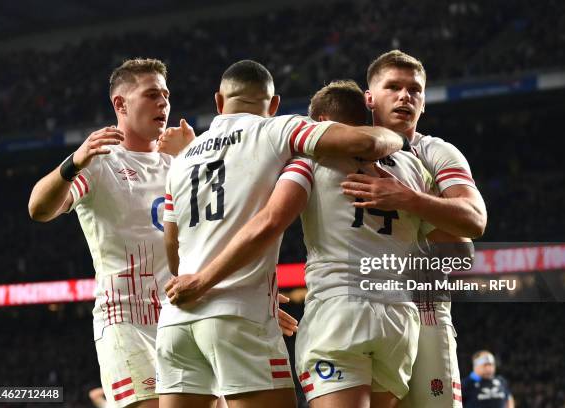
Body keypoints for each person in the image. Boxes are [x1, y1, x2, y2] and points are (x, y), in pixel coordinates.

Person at [164, 78, 446, 408]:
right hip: (400, 317)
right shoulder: (415, 169)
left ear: (321, 125)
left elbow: (271, 218)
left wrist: (203, 279)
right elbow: (455, 238)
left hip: (338, 311)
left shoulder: (308, 158)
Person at [28, 58, 194, 408]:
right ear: (121, 104)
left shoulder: (178, 164)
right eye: (151, 95)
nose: (163, 103)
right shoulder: (99, 163)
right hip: (127, 324)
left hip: (185, 318)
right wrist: (74, 161)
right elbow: (38, 209)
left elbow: (204, 239)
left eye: (166, 94)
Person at [341, 49, 487, 408]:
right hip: (355, 307)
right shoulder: (339, 148)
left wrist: (406, 198)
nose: (405, 95)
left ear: (424, 103)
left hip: (425, 311)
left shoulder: (435, 151)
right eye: (393, 86)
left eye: (415, 89)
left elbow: (473, 222)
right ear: (369, 98)